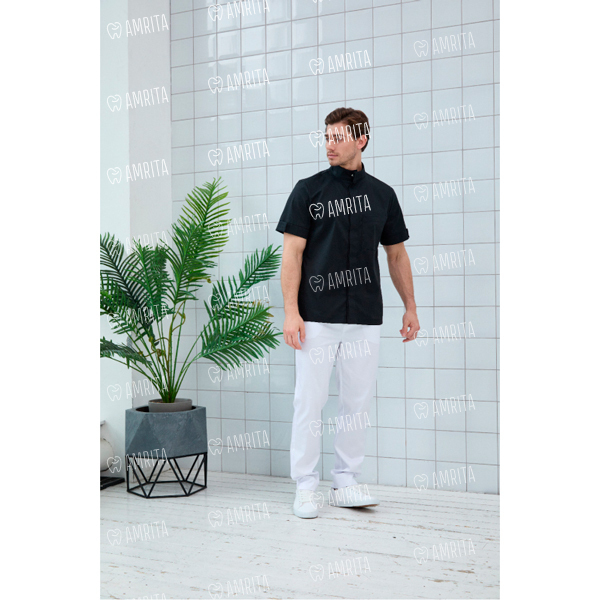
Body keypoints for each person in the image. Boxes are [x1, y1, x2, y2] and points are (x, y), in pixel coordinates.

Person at [276, 107, 420, 519]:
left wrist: (410, 307)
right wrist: (291, 312)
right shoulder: (308, 191)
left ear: (361, 140)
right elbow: (292, 254)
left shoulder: (382, 195)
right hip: (316, 316)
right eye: (326, 137)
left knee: (357, 403)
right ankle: (306, 486)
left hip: (364, 317)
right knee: (309, 402)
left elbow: (396, 254)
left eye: (337, 137)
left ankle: (345, 481)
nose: (329, 145)